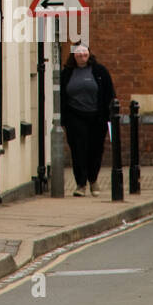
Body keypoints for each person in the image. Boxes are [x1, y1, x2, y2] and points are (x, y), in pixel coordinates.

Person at [60, 42, 115, 196]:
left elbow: (109, 93)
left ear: (89, 54)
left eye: (85, 53)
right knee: (78, 150)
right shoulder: (67, 73)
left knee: (96, 149)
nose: (82, 56)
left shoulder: (99, 71)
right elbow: (62, 95)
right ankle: (81, 184)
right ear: (73, 55)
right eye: (78, 53)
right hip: (75, 116)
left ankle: (93, 180)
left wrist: (109, 114)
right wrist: (64, 118)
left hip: (97, 117)